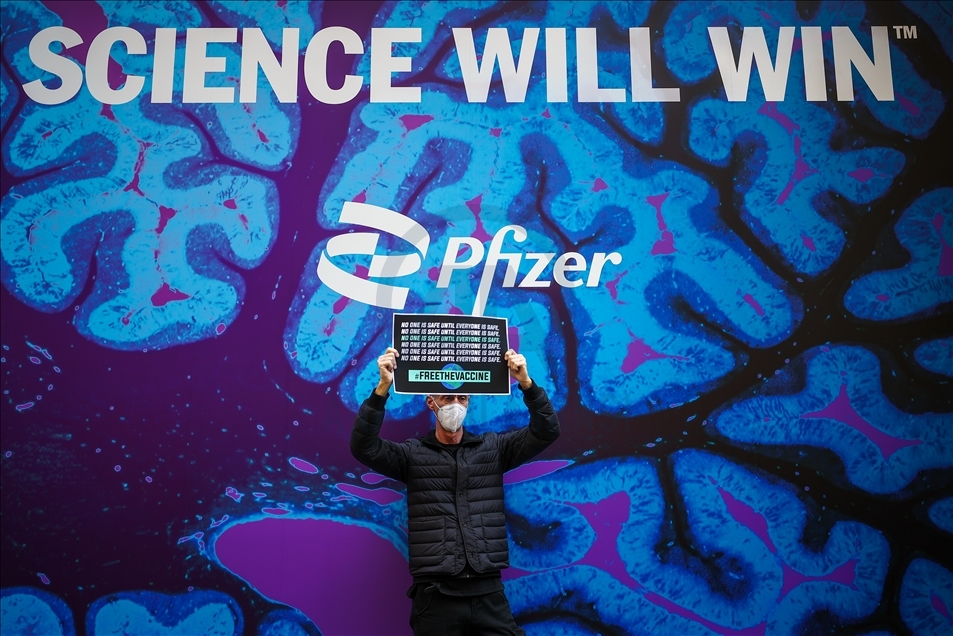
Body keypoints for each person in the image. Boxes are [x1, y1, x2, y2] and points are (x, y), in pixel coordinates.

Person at [351, 346, 560, 635]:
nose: (455, 405)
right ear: (430, 402)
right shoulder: (411, 455)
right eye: (447, 398)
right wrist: (382, 388)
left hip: (488, 593)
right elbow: (364, 446)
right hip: (436, 597)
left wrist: (525, 382)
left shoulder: (493, 448)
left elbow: (547, 430)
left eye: (462, 398)